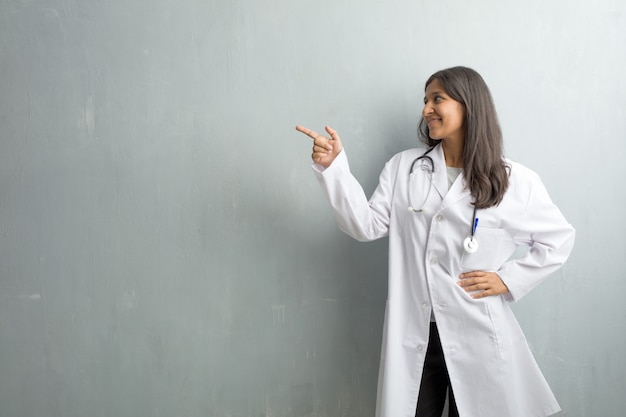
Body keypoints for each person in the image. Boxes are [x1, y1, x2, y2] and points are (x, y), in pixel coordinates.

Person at [295, 66, 575, 417]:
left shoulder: (514, 180)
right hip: (418, 333)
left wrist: (507, 279)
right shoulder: (404, 167)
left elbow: (558, 240)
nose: (426, 108)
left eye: (437, 98)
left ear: (468, 105)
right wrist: (335, 168)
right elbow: (365, 225)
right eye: (425, 100)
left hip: (478, 332)